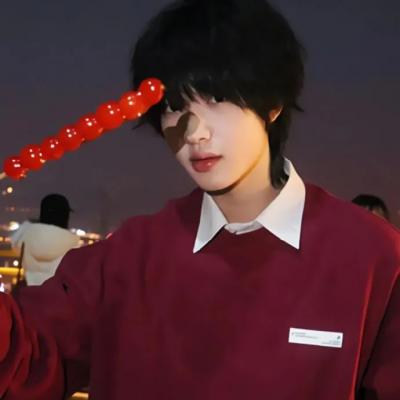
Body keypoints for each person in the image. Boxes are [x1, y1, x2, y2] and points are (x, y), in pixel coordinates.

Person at [0, 0, 399, 399]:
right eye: (174, 108)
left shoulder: (373, 258)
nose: (193, 133)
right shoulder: (128, 256)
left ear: (273, 103)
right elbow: (27, 357)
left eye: (216, 99)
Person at [11, 193, 80, 286]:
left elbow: (15, 244)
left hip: (29, 292)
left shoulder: (26, 236)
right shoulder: (72, 245)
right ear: (65, 216)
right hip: (56, 293)